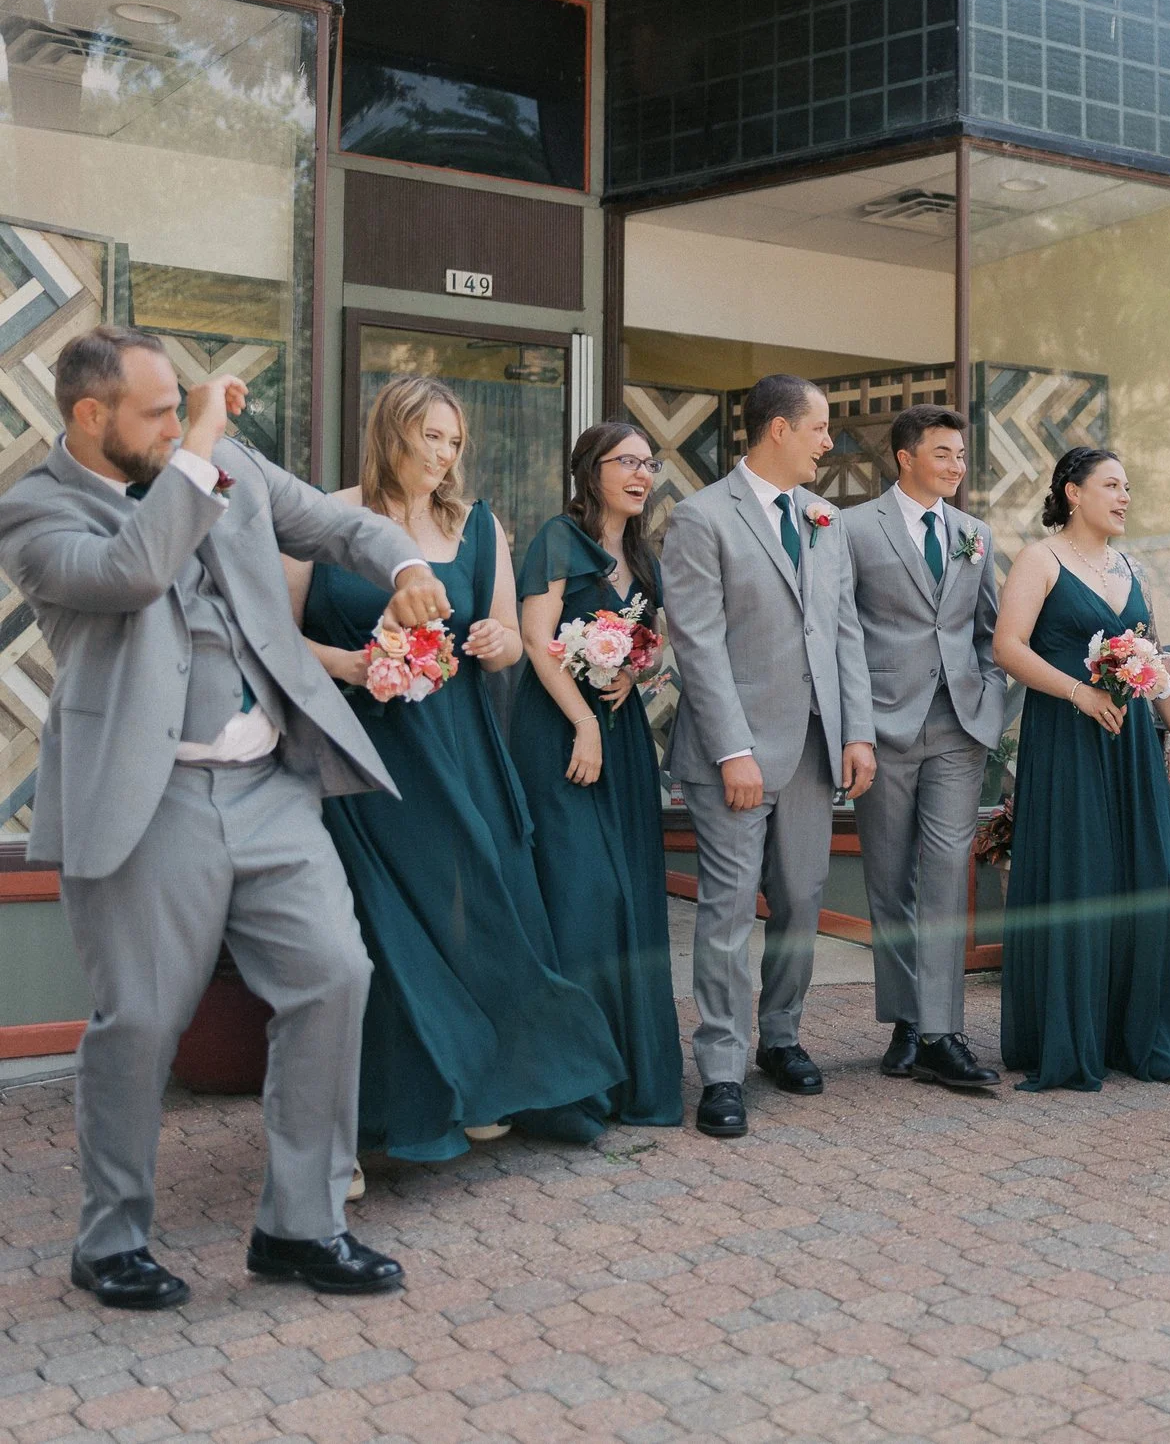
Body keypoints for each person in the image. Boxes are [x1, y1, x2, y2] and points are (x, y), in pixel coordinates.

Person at [0, 328, 452, 1308]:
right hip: (150, 800)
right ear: (91, 415)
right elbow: (133, 571)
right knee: (140, 1019)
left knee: (334, 975)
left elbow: (335, 526)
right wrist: (200, 449)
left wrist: (406, 566)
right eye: (159, 411)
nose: (179, 422)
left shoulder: (222, 461)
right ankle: (110, 1240)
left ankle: (302, 1223)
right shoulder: (35, 510)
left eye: (183, 405)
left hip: (269, 784)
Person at [288, 376, 622, 1167]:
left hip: (462, 746)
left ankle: (486, 1084)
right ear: (390, 432)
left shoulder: (478, 525)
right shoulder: (323, 519)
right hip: (365, 757)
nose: (443, 455)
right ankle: (387, 1116)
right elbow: (270, 635)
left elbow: (505, 637)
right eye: (429, 435)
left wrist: (497, 643)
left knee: (484, 913)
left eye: (454, 441)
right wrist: (353, 663)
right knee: (384, 929)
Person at [665, 376, 877, 1140]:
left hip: (817, 747)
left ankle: (781, 1035)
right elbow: (698, 643)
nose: (829, 442)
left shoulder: (826, 518)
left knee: (800, 902)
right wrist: (733, 749)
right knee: (727, 913)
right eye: (819, 428)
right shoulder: (700, 517)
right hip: (736, 754)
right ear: (779, 429)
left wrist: (857, 731)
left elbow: (844, 630)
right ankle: (722, 1067)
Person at [993, 447, 1170, 1091]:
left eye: (1127, 487)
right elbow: (1007, 646)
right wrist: (1078, 693)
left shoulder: (1132, 567)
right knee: (1080, 873)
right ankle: (1072, 1033)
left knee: (1141, 872)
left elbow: (1153, 657)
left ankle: (1136, 1032)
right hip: (1067, 740)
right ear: (1073, 492)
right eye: (1112, 485)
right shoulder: (1041, 560)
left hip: (1131, 743)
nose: (1124, 497)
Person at [511, 421, 684, 1131]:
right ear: (592, 470)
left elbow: (654, 639)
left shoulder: (642, 553)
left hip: (622, 739)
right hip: (559, 736)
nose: (642, 474)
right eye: (627, 462)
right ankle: (568, 1087)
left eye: (649, 463)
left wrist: (634, 670)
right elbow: (535, 638)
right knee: (581, 896)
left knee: (630, 899)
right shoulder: (558, 538)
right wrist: (583, 720)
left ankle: (628, 1077)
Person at [839, 404, 1009, 1091]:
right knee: (889, 881)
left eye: (961, 455)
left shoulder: (975, 534)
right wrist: (855, 728)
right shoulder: (852, 527)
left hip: (959, 729)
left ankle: (942, 1031)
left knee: (944, 875)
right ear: (904, 457)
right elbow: (843, 631)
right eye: (943, 453)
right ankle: (906, 1020)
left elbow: (988, 630)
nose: (956, 465)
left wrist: (988, 703)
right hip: (882, 728)